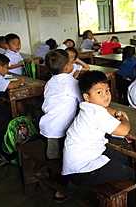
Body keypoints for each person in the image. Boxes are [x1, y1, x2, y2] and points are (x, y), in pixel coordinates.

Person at [62, 71, 135, 206]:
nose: (106, 95)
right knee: (130, 173)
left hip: (78, 161)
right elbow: (124, 130)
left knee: (124, 157)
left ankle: (118, 181)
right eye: (99, 92)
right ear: (87, 97)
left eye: (107, 90)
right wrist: (124, 119)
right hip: (82, 170)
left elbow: (105, 109)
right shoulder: (96, 113)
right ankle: (134, 202)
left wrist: (115, 112)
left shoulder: (88, 107)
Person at [39, 49, 82, 202]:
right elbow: (83, 102)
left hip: (47, 127)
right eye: (71, 62)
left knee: (53, 157)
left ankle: (54, 179)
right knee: (64, 159)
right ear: (66, 68)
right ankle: (60, 190)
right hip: (61, 130)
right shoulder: (72, 83)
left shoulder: (50, 82)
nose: (73, 64)